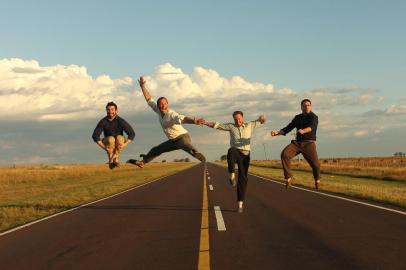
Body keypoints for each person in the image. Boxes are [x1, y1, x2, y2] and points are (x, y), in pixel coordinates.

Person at [126, 76, 206, 167]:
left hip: (182, 137)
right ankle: (143, 162)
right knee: (157, 149)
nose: (162, 106)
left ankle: (196, 153)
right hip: (172, 141)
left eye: (164, 104)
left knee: (184, 144)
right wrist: (142, 87)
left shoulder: (172, 114)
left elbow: (183, 118)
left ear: (167, 104)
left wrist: (194, 121)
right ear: (158, 106)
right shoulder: (157, 110)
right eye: (160, 104)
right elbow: (149, 99)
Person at [203, 111, 266, 213]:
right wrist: (205, 123)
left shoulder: (250, 125)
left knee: (243, 179)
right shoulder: (230, 127)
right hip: (236, 151)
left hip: (245, 156)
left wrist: (263, 118)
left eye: (239, 118)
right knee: (231, 150)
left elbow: (261, 121)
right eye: (235, 119)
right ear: (233, 120)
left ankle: (240, 204)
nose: (238, 121)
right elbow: (216, 125)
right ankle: (232, 175)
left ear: (243, 118)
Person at [271, 99, 321, 189]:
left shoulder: (313, 117)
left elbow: (312, 127)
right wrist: (277, 133)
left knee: (316, 164)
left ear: (311, 106)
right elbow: (288, 128)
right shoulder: (297, 117)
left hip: (309, 143)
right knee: (284, 154)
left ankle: (317, 179)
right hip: (297, 143)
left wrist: (303, 130)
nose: (307, 107)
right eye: (305, 105)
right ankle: (289, 177)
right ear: (301, 107)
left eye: (309, 105)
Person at [92, 101, 135, 169]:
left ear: (116, 110)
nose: (110, 111)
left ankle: (114, 160)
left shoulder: (121, 121)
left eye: (112, 109)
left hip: (119, 142)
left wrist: (124, 145)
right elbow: (95, 136)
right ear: (106, 110)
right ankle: (111, 159)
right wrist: (104, 148)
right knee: (111, 139)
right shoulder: (103, 121)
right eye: (108, 109)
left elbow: (132, 133)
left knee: (119, 138)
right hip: (108, 141)